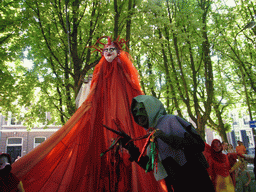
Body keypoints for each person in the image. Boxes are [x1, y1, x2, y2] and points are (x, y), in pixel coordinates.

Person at [11, 37, 166, 192]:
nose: (108, 52)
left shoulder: (122, 72)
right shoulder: (101, 73)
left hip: (124, 136)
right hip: (108, 140)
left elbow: (132, 88)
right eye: (106, 50)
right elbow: (96, 91)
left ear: (118, 52)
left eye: (112, 49)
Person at [123, 95, 215, 192]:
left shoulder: (171, 120)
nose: (138, 115)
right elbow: (149, 165)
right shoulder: (152, 133)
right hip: (177, 185)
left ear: (151, 107)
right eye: (135, 112)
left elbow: (198, 144)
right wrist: (130, 147)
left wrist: (166, 137)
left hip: (197, 181)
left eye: (142, 109)